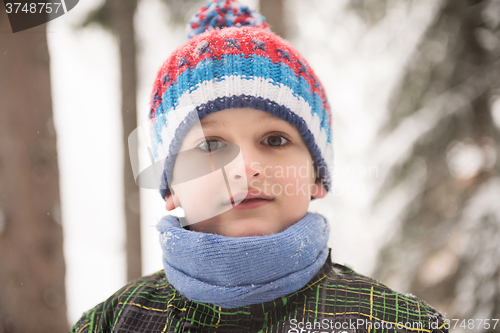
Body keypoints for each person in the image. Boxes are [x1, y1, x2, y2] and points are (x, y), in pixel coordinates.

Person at [71, 1, 449, 332]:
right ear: (171, 187)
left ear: (317, 175)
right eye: (211, 145)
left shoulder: (396, 322)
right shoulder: (112, 321)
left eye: (274, 140)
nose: (246, 168)